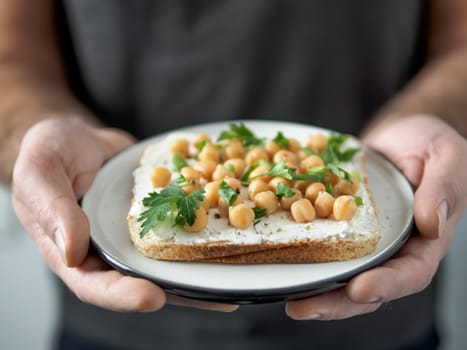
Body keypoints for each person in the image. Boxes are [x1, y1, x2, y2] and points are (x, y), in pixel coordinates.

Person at [0, 0, 466, 349]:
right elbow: (10, 56)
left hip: (378, 323)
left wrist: (434, 118)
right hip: (113, 320)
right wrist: (29, 134)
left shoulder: (306, 184)